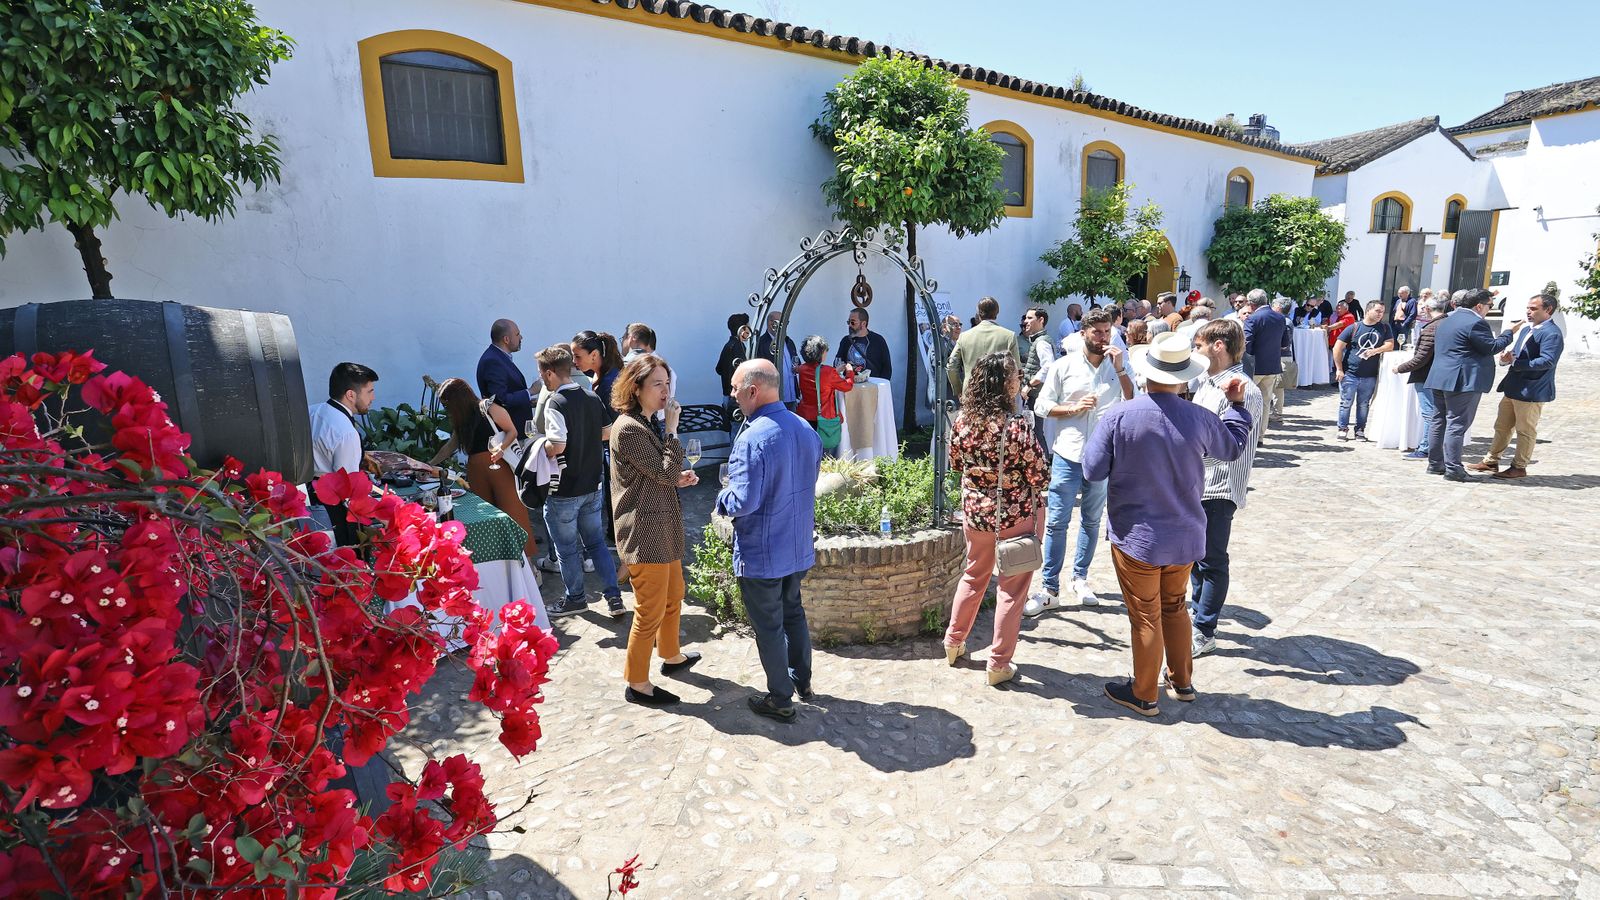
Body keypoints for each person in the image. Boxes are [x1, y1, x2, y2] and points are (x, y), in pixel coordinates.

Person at [1083, 332, 1252, 717]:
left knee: (1146, 613)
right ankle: (1182, 681)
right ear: (1183, 378)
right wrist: (1237, 406)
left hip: (1137, 535)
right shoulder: (1200, 417)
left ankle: (1144, 693)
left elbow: (1092, 470)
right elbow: (1232, 447)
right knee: (1175, 606)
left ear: (1147, 373)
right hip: (1185, 532)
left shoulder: (1121, 415)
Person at [717, 359, 822, 722]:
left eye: (734, 389)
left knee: (770, 626)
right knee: (793, 612)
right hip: (795, 544)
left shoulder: (752, 437)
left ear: (753, 390)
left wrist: (722, 499)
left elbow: (744, 501)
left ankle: (781, 697)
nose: (732, 396)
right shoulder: (805, 428)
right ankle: (802, 682)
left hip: (763, 549)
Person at [944, 352, 1048, 686]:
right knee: (1012, 590)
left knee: (973, 575)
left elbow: (956, 465)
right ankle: (998, 663)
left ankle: (953, 642)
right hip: (1013, 516)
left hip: (975, 514)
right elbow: (1040, 476)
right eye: (1015, 377)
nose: (1018, 381)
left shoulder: (962, 422)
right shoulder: (1016, 428)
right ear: (1004, 384)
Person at [608, 354, 702, 707]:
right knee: (649, 610)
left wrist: (678, 478)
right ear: (637, 389)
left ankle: (672, 655)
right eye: (657, 385)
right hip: (644, 533)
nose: (666, 391)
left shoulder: (644, 423)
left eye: (667, 383)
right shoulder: (629, 427)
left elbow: (656, 474)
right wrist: (673, 430)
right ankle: (636, 682)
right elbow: (661, 472)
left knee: (674, 595)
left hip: (663, 524)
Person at [1027, 307, 1133, 615]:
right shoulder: (1064, 366)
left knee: (1091, 520)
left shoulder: (1117, 366)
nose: (1103, 338)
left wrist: (1122, 368)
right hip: (1068, 454)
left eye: (1107, 332)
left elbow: (1132, 401)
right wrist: (1071, 409)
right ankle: (1049, 588)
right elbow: (1043, 407)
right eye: (1097, 332)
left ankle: (1080, 577)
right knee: (1058, 521)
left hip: (1102, 455)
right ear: (1083, 333)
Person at [1185, 320, 1265, 657]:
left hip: (1217, 487)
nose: (1195, 353)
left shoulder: (1243, 389)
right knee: (1193, 557)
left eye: (1199, 346)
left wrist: (1183, 457)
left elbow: (1231, 445)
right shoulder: (1205, 383)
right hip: (1194, 483)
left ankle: (1206, 629)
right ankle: (1196, 611)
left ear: (1219, 346)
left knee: (1213, 560)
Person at [537, 345, 625, 617]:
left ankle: (575, 598)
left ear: (550, 373)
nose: (541, 379)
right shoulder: (590, 396)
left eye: (541, 373)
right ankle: (614, 598)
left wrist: (540, 447)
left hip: (565, 488)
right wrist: (584, 440)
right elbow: (607, 432)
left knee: (566, 549)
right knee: (596, 543)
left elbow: (558, 444)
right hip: (592, 484)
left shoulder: (555, 402)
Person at [429, 378, 538, 560]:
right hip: (477, 470)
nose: (447, 409)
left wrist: (501, 449)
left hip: (499, 466)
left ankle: (529, 568)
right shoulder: (462, 418)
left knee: (513, 514)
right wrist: (430, 463)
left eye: (448, 404)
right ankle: (498, 560)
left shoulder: (487, 406)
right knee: (486, 517)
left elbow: (511, 431)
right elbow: (451, 445)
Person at [1468, 294, 1565, 480]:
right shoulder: (1526, 330)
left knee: (1525, 430)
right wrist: (1507, 359)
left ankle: (1519, 467)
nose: (1528, 312)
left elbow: (1547, 361)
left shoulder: (1552, 333)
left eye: (1534, 309)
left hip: (1532, 389)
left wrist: (1516, 362)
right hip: (1514, 387)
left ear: (1548, 310)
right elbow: (1516, 354)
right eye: (1528, 308)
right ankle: (1491, 461)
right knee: (1502, 427)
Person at [1423, 288, 1514, 481]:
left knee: (1438, 421)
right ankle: (1454, 469)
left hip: (1440, 377)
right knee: (1456, 424)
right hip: (1461, 380)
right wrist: (1508, 333)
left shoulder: (1446, 320)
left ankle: (1435, 463)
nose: (1490, 309)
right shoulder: (1475, 323)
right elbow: (1491, 347)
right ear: (1479, 305)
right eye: (1490, 305)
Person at [309, 362, 379, 547]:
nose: (373, 397)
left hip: (309, 500)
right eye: (369, 391)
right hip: (334, 508)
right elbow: (348, 486)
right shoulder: (346, 433)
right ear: (351, 394)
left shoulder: (312, 411)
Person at [1395, 295, 1451, 459]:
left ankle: (1426, 447)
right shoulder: (1447, 323)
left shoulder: (1431, 327)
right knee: (1437, 413)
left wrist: (1399, 368)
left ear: (1427, 309)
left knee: (1430, 414)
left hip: (1426, 376)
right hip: (1440, 375)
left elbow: (1420, 359)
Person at [1333, 300, 1395, 441]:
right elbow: (1337, 348)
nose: (1380, 314)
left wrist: (1375, 351)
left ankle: (1360, 429)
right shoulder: (1354, 327)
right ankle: (1342, 428)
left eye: (1382, 311)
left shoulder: (1384, 328)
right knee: (1346, 402)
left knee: (1364, 404)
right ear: (1368, 311)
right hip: (1350, 373)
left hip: (1370, 374)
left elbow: (1390, 345)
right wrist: (1339, 369)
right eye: (1377, 311)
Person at [947, 297, 1018, 396]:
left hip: (971, 391)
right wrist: (1011, 394)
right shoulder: (1009, 336)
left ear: (979, 313)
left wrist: (958, 390)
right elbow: (1016, 370)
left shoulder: (964, 336)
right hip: (999, 393)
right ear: (997, 312)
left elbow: (952, 366)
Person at [796, 335, 855, 452]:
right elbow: (847, 386)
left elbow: (817, 375)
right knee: (823, 452)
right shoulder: (828, 372)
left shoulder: (801, 369)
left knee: (809, 451)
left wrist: (835, 371)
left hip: (805, 415)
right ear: (820, 353)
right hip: (823, 417)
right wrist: (850, 372)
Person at [476, 319, 534, 436]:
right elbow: (499, 399)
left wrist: (528, 401)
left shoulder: (499, 357)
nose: (521, 337)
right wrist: (530, 391)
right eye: (517, 334)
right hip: (508, 435)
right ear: (506, 339)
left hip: (515, 431)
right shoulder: (493, 361)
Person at [1243, 290, 1286, 435]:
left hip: (1254, 366)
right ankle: (1260, 434)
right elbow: (1285, 342)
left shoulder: (1252, 318)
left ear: (1251, 304)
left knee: (1247, 400)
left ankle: (1248, 433)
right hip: (1272, 365)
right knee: (1266, 401)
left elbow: (1247, 343)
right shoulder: (1280, 318)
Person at [756, 311, 801, 410]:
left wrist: (797, 368)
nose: (785, 325)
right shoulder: (761, 343)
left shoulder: (788, 341)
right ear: (771, 323)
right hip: (774, 398)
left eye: (786, 323)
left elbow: (797, 362)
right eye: (783, 322)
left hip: (792, 396)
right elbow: (759, 371)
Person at [716, 313, 751, 437]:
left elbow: (719, 369)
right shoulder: (738, 347)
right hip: (736, 398)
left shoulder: (728, 346)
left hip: (728, 395)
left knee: (736, 432)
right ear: (741, 329)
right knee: (739, 433)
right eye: (747, 327)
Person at [572, 330, 626, 410]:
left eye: (577, 356)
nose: (574, 361)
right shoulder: (595, 372)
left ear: (594, 355)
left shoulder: (611, 383)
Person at [835, 307, 892, 378]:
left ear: (863, 323)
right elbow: (837, 364)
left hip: (872, 386)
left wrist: (881, 385)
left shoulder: (878, 340)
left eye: (852, 322)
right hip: (850, 385)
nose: (849, 325)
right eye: (848, 322)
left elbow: (886, 368)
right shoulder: (845, 341)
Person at [1019, 306, 1056, 412]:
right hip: (1035, 393)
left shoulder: (1041, 342)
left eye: (1030, 318)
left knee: (1036, 427)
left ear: (1041, 320)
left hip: (1037, 394)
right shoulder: (1038, 340)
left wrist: (1029, 385)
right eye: (1026, 318)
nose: (1026, 321)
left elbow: (1048, 367)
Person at [1271, 298, 1297, 417]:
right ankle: (1276, 412)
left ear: (1279, 308)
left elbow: (1285, 344)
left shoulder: (1285, 322)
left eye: (1273, 305)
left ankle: (1277, 413)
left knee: (1277, 387)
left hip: (1281, 357)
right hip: (1280, 356)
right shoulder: (1284, 320)